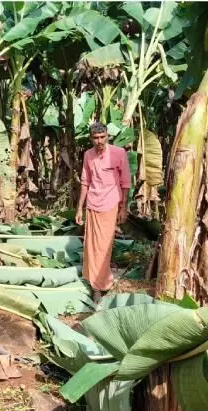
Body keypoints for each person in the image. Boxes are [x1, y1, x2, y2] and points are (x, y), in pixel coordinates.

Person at [75, 122, 130, 302]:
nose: (99, 141)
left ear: (107, 136)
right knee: (91, 245)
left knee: (104, 246)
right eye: (95, 138)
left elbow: (125, 183)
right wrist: (79, 209)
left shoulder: (118, 153)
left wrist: (124, 207)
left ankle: (99, 286)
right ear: (91, 138)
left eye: (102, 137)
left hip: (110, 203)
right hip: (92, 203)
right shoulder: (88, 155)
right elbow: (85, 182)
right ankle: (95, 281)